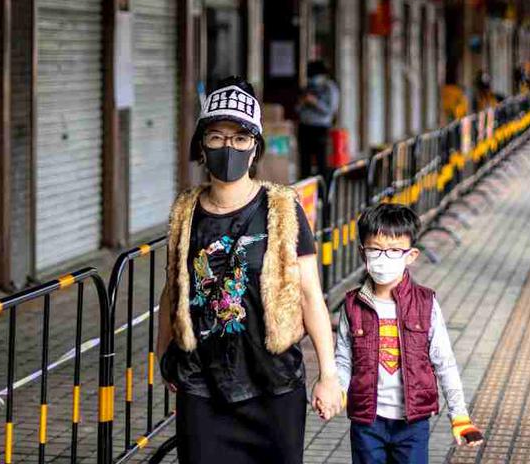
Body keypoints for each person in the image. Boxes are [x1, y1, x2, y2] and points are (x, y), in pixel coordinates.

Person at [158, 77, 343, 464]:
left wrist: (328, 374)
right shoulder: (185, 212)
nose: (229, 147)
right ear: (202, 146)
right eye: (217, 137)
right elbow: (172, 290)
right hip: (202, 388)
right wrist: (163, 358)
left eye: (241, 138)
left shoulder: (282, 208)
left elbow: (311, 295)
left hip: (273, 388)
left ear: (255, 146)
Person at [335, 204, 484, 464]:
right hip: (367, 422)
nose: (384, 258)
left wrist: (459, 416)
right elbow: (343, 360)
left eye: (394, 250)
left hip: (412, 425)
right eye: (376, 250)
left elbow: (444, 362)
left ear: (411, 255)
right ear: (363, 253)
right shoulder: (352, 305)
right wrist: (334, 392)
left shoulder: (425, 304)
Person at [296, 61, 340, 179]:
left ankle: (323, 191)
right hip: (305, 126)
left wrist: (315, 102)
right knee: (304, 161)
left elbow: (330, 110)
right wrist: (302, 103)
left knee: (322, 161)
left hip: (320, 128)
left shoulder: (330, 88)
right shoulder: (308, 87)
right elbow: (298, 109)